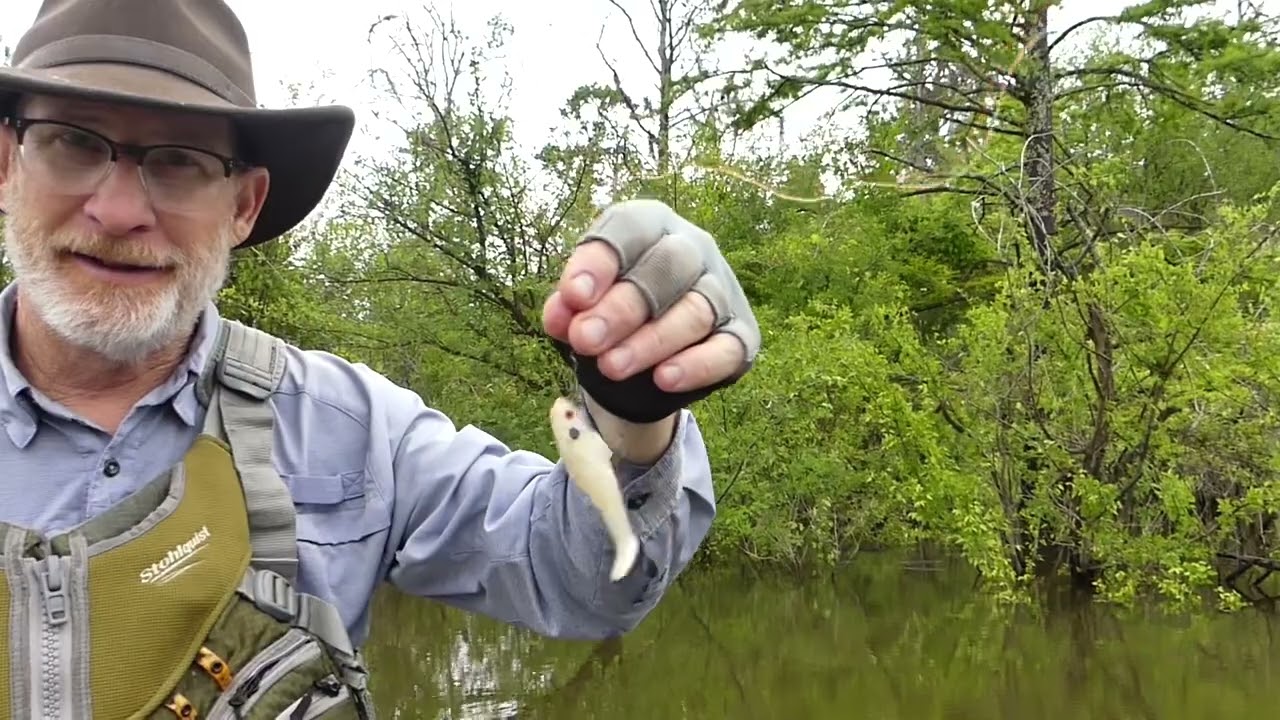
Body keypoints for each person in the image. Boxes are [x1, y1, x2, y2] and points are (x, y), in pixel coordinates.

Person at [0, 0, 760, 718]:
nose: (119, 210)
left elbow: (586, 583)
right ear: (5, 164)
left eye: (178, 161)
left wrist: (631, 413)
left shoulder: (352, 429)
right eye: (74, 144)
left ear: (244, 206)